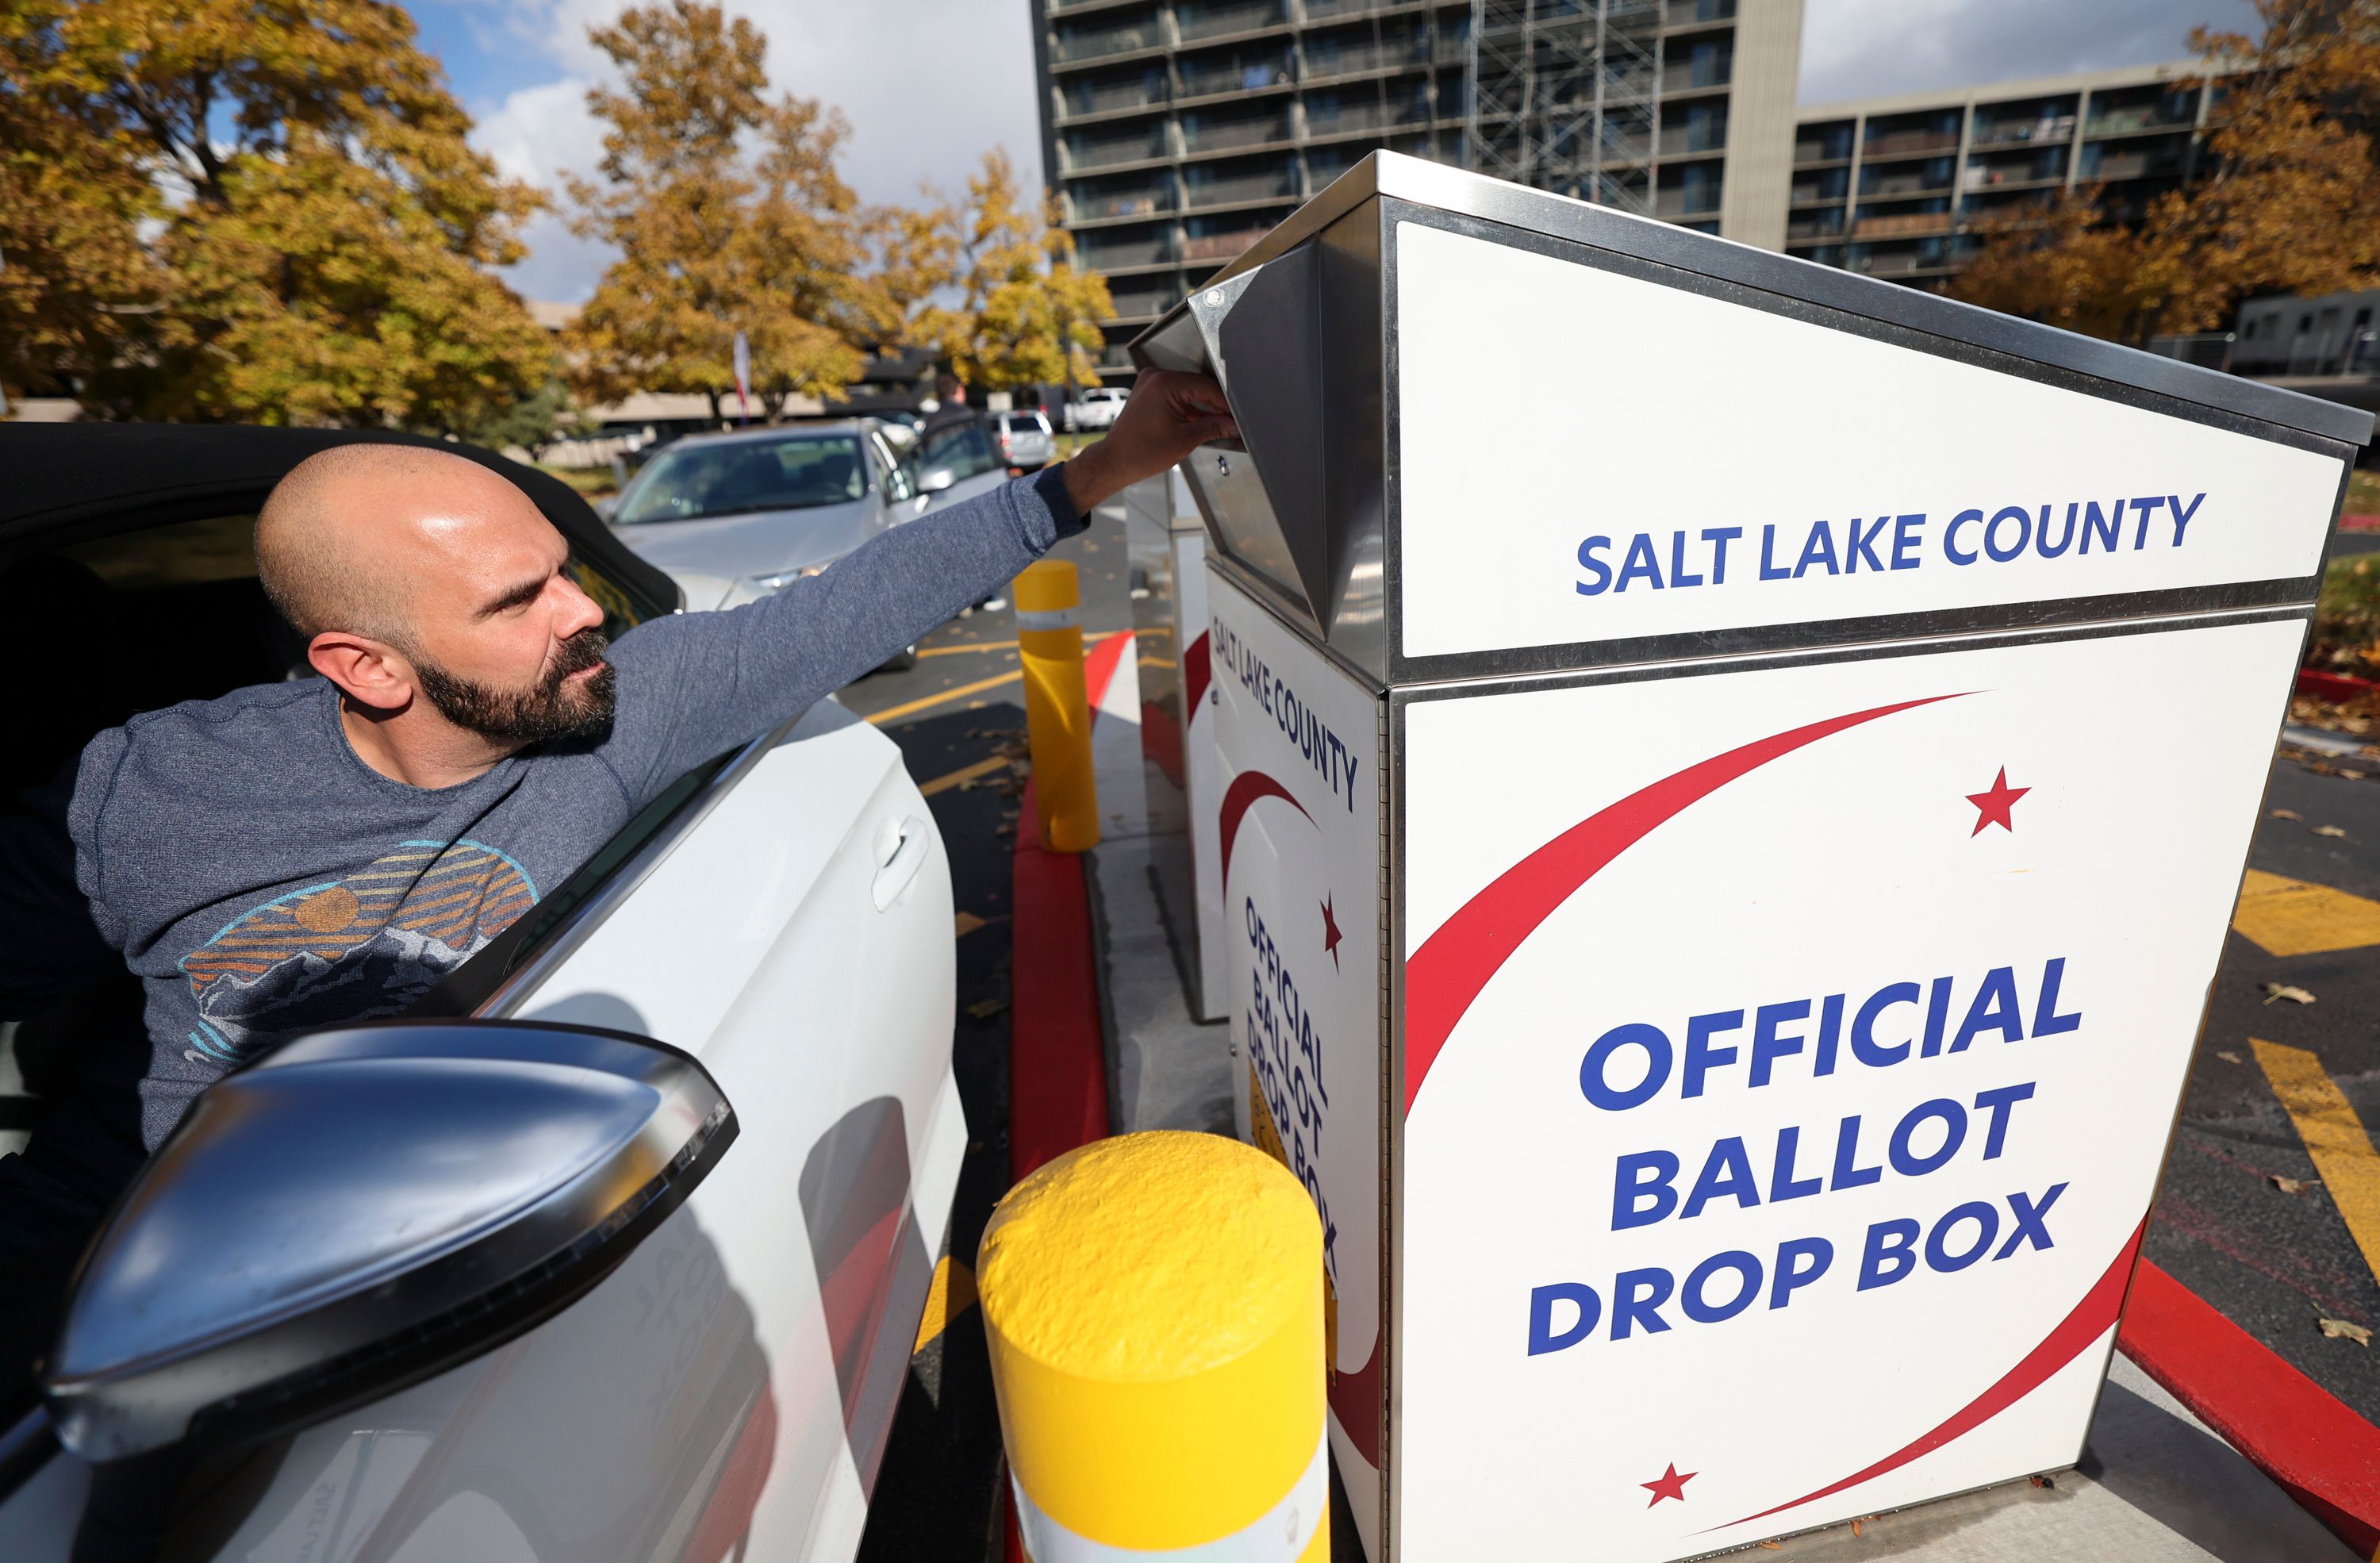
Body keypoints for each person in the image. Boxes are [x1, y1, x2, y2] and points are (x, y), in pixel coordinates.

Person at [0, 368, 1234, 1409]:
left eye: (561, 569)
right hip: (122, 1268)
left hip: (411, 1302)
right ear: (365, 664)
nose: (587, 610)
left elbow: (854, 604)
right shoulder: (144, 794)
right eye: (520, 599)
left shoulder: (617, 718)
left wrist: (1103, 466)